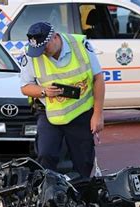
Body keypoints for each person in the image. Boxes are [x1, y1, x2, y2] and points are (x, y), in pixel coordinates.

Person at [20, 22, 105, 177]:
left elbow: (98, 79)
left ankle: (82, 197)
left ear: (55, 37)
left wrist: (97, 115)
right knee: (45, 155)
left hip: (80, 112)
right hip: (49, 113)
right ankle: (49, 194)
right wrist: (44, 91)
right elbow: (25, 87)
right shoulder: (32, 54)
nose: (42, 53)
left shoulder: (80, 45)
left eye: (44, 48)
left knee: (83, 162)